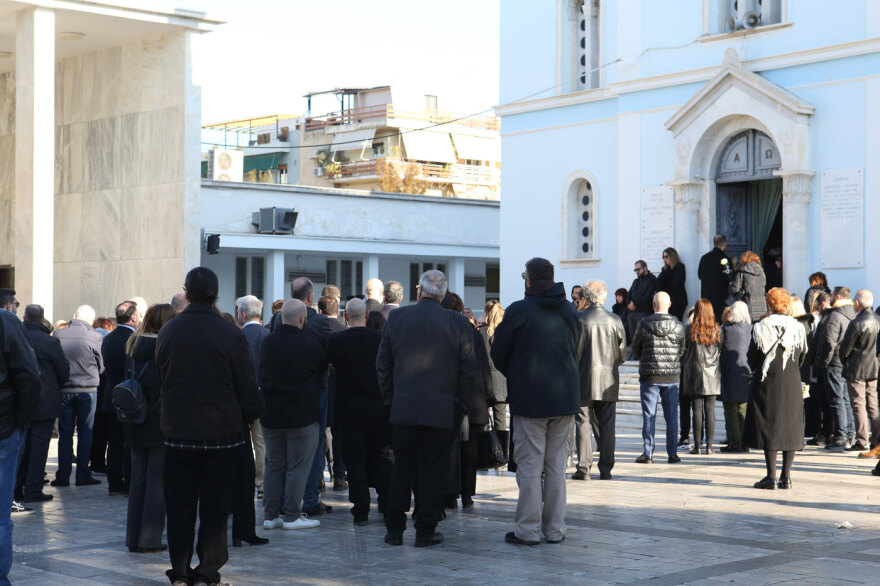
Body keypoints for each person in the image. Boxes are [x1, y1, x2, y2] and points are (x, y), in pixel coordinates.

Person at [156, 267, 263, 586]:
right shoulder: (230, 332)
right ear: (216, 294)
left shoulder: (170, 330)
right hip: (221, 435)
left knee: (179, 507)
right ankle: (207, 572)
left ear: (186, 293)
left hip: (178, 433)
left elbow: (163, 377)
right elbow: (246, 383)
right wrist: (253, 411)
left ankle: (179, 571)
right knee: (215, 510)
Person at [377, 270, 475, 548]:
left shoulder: (398, 318)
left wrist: (390, 399)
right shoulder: (457, 322)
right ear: (442, 294)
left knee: (401, 468)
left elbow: (383, 363)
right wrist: (460, 406)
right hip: (442, 409)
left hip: (405, 407)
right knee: (434, 471)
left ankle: (394, 529)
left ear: (419, 291)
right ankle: (425, 530)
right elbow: (469, 369)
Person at [491, 258, 579, 546]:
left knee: (530, 467)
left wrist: (519, 375)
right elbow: (576, 349)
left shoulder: (519, 310)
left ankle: (527, 530)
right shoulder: (569, 309)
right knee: (556, 467)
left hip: (530, 401)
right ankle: (555, 530)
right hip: (564, 399)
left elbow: (499, 354)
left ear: (528, 279)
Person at [260, 299, 326, 531]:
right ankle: (292, 515)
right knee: (297, 467)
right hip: (301, 416)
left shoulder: (267, 342)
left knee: (274, 465)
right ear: (302, 318)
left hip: (271, 414)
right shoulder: (310, 344)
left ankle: (270, 516)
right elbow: (321, 373)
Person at [328, 298, 392, 525]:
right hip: (377, 408)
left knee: (354, 460)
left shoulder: (335, 341)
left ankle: (361, 509)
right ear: (366, 315)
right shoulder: (380, 339)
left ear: (345, 316)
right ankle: (385, 504)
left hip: (348, 409)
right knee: (382, 456)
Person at [124, 303, 177, 553]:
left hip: (134, 420)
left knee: (138, 481)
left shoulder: (132, 345)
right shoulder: (164, 348)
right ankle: (150, 538)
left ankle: (133, 537)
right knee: (157, 483)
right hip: (158, 421)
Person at [743, 288, 806, 489]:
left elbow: (751, 358)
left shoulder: (760, 327)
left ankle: (770, 476)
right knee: (790, 426)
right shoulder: (798, 328)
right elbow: (803, 356)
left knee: (769, 425)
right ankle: (786, 477)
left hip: (766, 382)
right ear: (786, 305)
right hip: (791, 381)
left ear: (769, 304)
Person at [0, 305, 40, 586]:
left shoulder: (7, 322)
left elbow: (28, 377)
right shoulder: (7, 322)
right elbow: (28, 375)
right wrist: (20, 422)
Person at [441, 292, 492, 510]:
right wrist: (489, 396)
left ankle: (451, 494)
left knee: (450, 451)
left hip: (450, 401)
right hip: (476, 401)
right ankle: (468, 494)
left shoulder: (443, 332)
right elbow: (484, 368)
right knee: (470, 452)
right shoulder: (473, 332)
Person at [15, 306, 69, 504]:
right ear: (42, 319)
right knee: (39, 447)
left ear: (24, 317)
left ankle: (17, 487)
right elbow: (63, 370)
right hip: (44, 401)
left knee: (20, 446)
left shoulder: (15, 336)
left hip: (19, 401)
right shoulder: (49, 341)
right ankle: (33, 488)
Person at [574, 280, 626, 480]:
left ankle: (583, 467)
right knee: (607, 425)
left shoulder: (578, 318)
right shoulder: (614, 320)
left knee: (583, 423)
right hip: (607, 379)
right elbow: (621, 354)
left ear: (586, 297)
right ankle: (606, 468)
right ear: (603, 297)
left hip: (583, 378)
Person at [52, 305, 105, 488]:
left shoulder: (59, 335)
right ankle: (83, 474)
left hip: (64, 389)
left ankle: (63, 476)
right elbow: (102, 366)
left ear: (74, 316)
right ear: (91, 320)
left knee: (65, 434)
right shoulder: (95, 337)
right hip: (88, 390)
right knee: (85, 432)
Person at [232, 295, 270, 547]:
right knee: (261, 442)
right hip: (262, 396)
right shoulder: (267, 336)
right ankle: (261, 483)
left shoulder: (237, 336)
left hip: (238, 399)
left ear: (243, 315)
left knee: (242, 444)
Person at [631, 292, 685, 464]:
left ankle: (648, 453)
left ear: (654, 305)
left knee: (649, 415)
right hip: (672, 375)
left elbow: (636, 348)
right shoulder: (678, 326)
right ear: (669, 305)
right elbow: (681, 350)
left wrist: (646, 360)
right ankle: (672, 453)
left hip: (650, 375)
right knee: (672, 416)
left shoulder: (644, 324)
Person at [101, 300, 140, 497]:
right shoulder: (134, 339)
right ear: (133, 317)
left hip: (111, 396)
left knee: (114, 444)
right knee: (129, 443)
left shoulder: (108, 338)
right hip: (128, 397)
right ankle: (129, 484)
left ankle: (114, 484)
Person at [839, 290, 880, 456]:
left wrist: (845, 361)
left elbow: (844, 349)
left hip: (857, 368)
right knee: (873, 404)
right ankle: (876, 441)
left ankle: (862, 440)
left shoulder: (857, 323)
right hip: (874, 368)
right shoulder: (878, 319)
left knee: (858, 404)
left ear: (857, 303)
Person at [816, 286, 857, 450]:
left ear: (838, 297)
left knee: (837, 400)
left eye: (832, 294)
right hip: (846, 362)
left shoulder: (835, 316)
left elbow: (828, 342)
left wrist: (823, 362)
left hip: (834, 363)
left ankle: (840, 436)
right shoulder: (852, 314)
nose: (830, 297)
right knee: (846, 400)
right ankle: (850, 434)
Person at [681, 299, 723, 455]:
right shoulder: (717, 330)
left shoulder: (689, 329)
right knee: (710, 410)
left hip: (694, 372)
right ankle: (709, 446)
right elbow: (720, 349)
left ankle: (697, 446)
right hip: (711, 373)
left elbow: (683, 348)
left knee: (696, 409)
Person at [317, 295, 347, 491]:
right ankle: (339, 476)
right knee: (339, 435)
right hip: (341, 391)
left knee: (320, 435)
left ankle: (319, 477)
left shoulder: (314, 329)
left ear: (320, 310)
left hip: (321, 387)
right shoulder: (344, 331)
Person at [719, 301, 752, 453]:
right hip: (746, 370)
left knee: (730, 407)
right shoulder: (750, 329)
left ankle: (734, 441)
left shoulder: (725, 329)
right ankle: (744, 440)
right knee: (742, 407)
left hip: (729, 371)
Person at [478, 300, 509, 460]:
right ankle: (502, 454)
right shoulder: (505, 332)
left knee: (483, 419)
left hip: (484, 380)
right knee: (501, 420)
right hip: (502, 380)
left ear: (486, 313)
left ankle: (485, 453)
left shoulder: (480, 332)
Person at [806, 292, 834, 446]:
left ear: (822, 304)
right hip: (827, 365)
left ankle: (827, 432)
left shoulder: (827, 319)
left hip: (826, 366)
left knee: (826, 401)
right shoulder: (827, 318)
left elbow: (827, 344)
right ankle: (826, 432)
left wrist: (820, 362)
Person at [698, 234, 731, 322]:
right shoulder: (726, 260)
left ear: (714, 244)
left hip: (707, 299)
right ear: (724, 244)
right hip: (721, 299)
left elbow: (700, 275)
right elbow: (729, 278)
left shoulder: (704, 258)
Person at [728, 251, 767, 323]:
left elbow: (734, 289)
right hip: (762, 307)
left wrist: (730, 285)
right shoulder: (762, 273)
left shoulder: (742, 271)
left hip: (747, 306)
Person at [626, 260, 657, 341]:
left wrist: (635, 304)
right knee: (633, 338)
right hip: (632, 313)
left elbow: (648, 296)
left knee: (643, 338)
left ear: (645, 268)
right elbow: (628, 294)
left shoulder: (652, 280)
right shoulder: (635, 281)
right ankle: (635, 352)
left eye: (638, 269)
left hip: (644, 313)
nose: (637, 272)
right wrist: (629, 304)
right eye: (635, 270)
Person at [656, 247, 688, 321]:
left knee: (676, 322)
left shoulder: (680, 267)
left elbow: (676, 283)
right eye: (663, 257)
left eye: (666, 256)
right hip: (668, 301)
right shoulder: (665, 269)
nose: (665, 259)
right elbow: (658, 282)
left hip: (678, 300)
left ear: (672, 255)